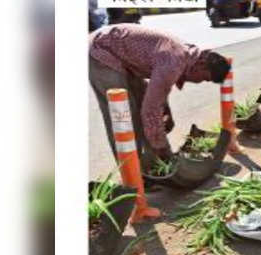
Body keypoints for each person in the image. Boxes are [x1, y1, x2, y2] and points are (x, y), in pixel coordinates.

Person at [89, 24, 231, 164]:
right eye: (204, 78)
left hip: (123, 56)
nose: (200, 82)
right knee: (123, 115)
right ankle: (132, 172)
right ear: (202, 65)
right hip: (101, 50)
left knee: (141, 105)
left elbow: (159, 89)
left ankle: (153, 162)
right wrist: (163, 148)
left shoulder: (187, 56)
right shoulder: (174, 61)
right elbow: (151, 109)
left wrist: (165, 108)